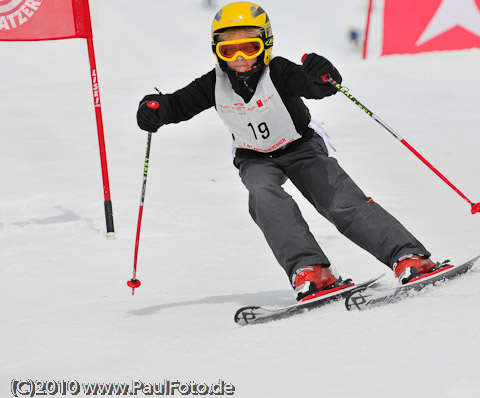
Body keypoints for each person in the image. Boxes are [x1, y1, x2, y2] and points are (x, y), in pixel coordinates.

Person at [136, 1, 437, 301]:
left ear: (265, 44)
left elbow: (313, 86)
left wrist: (322, 76)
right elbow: (177, 105)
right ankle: (312, 270)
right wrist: (157, 109)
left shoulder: (278, 71)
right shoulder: (212, 84)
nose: (239, 58)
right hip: (254, 158)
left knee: (338, 200)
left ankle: (408, 256)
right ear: (217, 51)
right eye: (228, 51)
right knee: (265, 198)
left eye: (249, 48)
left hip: (301, 147)